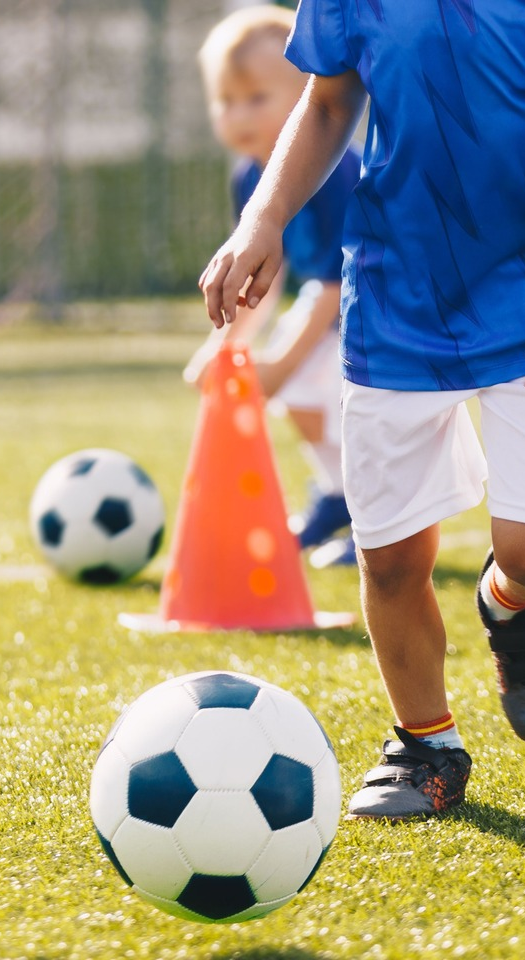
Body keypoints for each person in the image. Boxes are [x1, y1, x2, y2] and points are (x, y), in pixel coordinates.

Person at [200, 0, 525, 818]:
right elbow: (325, 100)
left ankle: (513, 605)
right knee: (387, 558)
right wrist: (264, 216)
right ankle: (425, 744)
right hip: (396, 301)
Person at [184, 4, 361, 567]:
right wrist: (225, 347)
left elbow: (338, 284)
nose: (239, 115)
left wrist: (281, 363)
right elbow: (264, 272)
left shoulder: (335, 174)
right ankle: (338, 499)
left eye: (256, 97)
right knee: (302, 402)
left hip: (379, 307)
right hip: (328, 305)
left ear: (311, 93)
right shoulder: (248, 177)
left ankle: (376, 520)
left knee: (350, 411)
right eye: (225, 101)